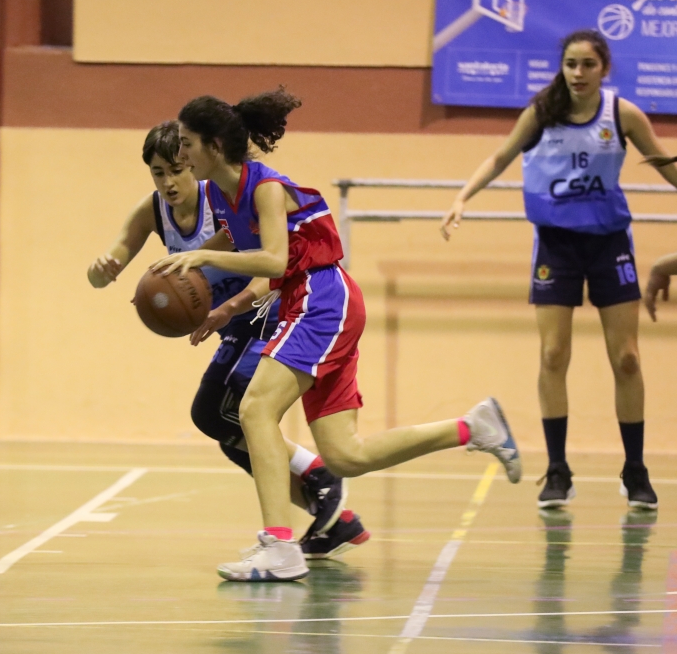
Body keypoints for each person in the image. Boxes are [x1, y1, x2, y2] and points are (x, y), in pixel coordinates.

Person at [154, 89, 521, 582]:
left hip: (321, 298)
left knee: (254, 409)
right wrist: (218, 296)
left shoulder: (265, 187)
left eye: (186, 143)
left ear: (214, 146)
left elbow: (274, 260)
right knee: (346, 455)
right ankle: (474, 427)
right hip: (313, 302)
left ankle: (279, 547)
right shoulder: (222, 192)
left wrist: (202, 255)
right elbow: (237, 240)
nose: (181, 154)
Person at [88, 122, 370, 558]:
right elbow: (108, 268)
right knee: (220, 425)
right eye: (158, 173)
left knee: (234, 409)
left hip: (268, 311)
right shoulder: (152, 211)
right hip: (234, 325)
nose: (168, 182)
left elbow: (271, 266)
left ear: (193, 164)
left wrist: (231, 306)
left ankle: (317, 477)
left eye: (176, 170)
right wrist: (101, 271)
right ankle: (334, 516)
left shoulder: (220, 198)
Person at [441, 30, 676, 512]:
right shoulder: (541, 112)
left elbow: (665, 163)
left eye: (588, 64)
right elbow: (500, 157)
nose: (578, 73)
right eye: (571, 64)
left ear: (603, 68)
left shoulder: (622, 114)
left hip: (609, 242)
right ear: (562, 67)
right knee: (552, 354)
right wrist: (462, 197)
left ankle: (635, 470)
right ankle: (557, 471)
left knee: (627, 358)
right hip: (556, 244)